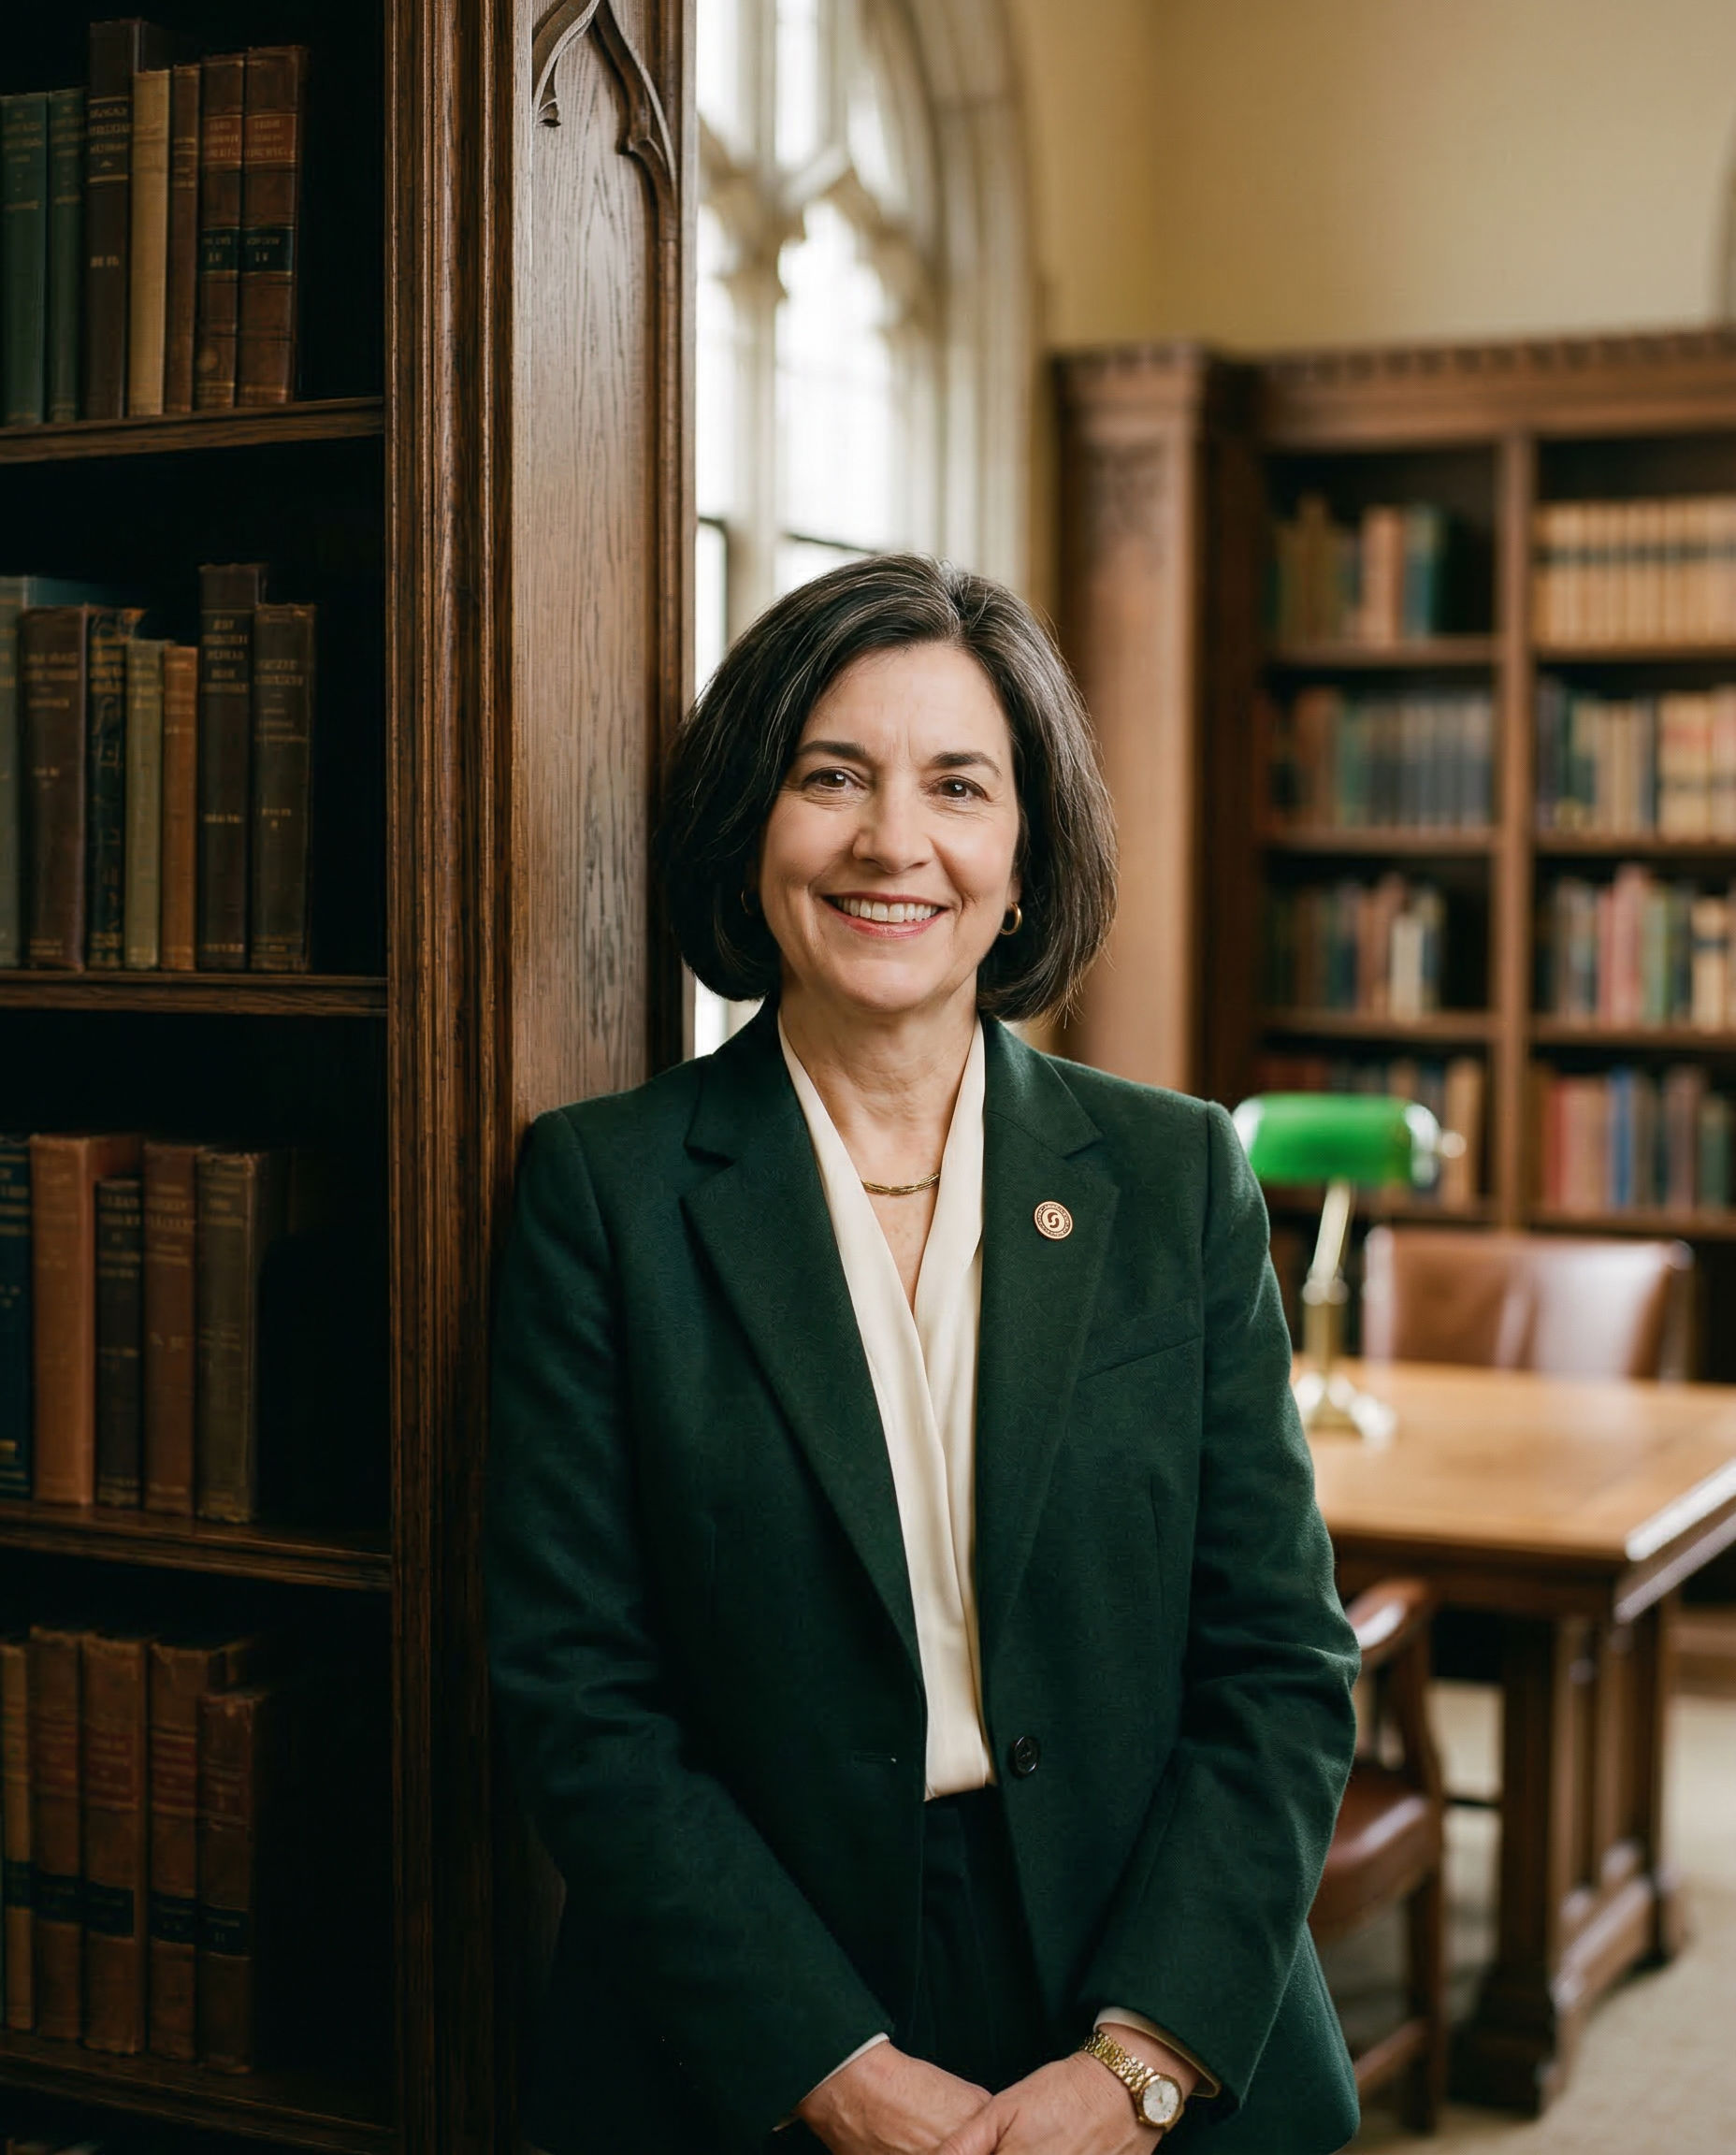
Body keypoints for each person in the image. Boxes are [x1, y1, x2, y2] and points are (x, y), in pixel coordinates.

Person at [485, 555, 1361, 2155]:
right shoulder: (600, 1192)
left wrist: (1140, 2063)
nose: (895, 840)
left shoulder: (1176, 1181)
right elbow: (579, 1698)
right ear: (753, 823)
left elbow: (1283, 1669)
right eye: (832, 777)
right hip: (754, 2023)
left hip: (1141, 1987)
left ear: (1022, 860)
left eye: (959, 784)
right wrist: (834, 2070)